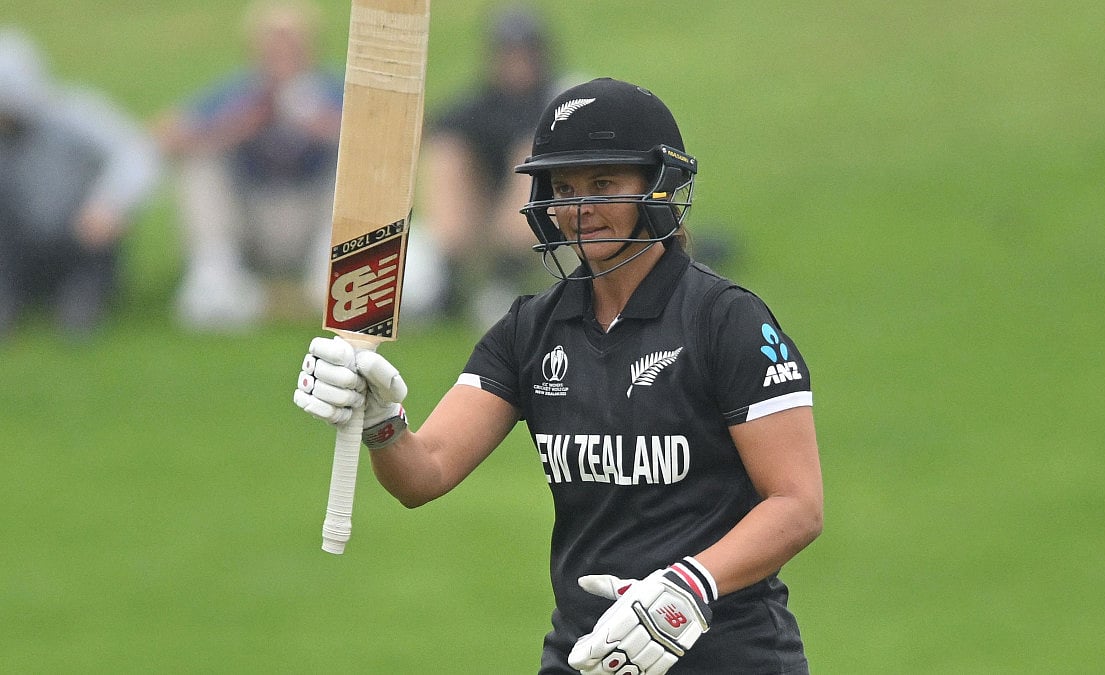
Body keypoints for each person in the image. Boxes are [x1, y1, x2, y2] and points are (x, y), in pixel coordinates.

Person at [294, 78, 824, 674]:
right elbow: (425, 474)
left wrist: (684, 591)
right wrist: (381, 421)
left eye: (604, 185)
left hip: (729, 656)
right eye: (564, 188)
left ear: (659, 186)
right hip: (588, 655)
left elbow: (797, 504)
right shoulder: (531, 329)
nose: (579, 208)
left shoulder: (726, 319)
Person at [154, 0, 342, 331]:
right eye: (273, 43)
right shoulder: (238, 93)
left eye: (292, 43)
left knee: (353, 162)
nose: (282, 53)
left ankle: (332, 278)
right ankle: (215, 275)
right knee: (201, 163)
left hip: (317, 220)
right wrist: (235, 127)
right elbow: (163, 138)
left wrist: (328, 127)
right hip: (251, 219)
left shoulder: (333, 91)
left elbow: (400, 140)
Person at [413, 4, 575, 329]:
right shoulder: (484, 102)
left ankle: (504, 280)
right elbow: (442, 127)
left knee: (531, 151)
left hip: (555, 222)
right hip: (483, 214)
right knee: (449, 150)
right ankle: (450, 277)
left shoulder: (563, 98)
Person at [0, 27, 160, 341]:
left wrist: (110, 203)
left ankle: (82, 297)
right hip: (17, 242)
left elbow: (138, 152)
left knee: (94, 241)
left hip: (79, 235)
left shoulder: (74, 114)